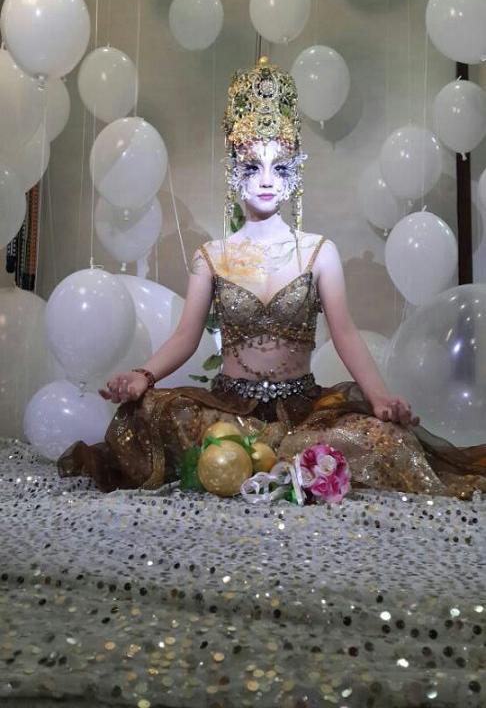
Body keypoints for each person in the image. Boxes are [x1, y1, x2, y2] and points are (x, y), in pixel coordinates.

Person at [58, 57, 486, 498]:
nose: (266, 180)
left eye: (279, 168)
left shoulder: (319, 253)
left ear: (294, 172)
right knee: (146, 415)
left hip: (302, 411)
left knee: (384, 439)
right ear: (233, 171)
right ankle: (272, 462)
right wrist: (142, 376)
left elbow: (345, 334)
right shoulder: (212, 257)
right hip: (229, 412)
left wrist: (379, 398)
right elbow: (185, 337)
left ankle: (278, 461)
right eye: (251, 167)